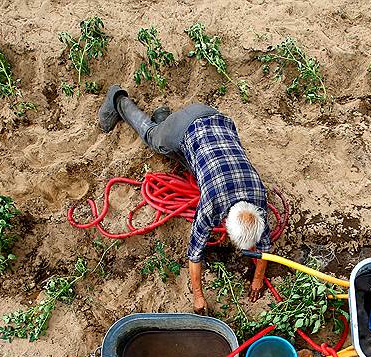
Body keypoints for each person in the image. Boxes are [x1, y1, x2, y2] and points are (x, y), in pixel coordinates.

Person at [98, 85, 271, 314]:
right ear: (226, 220)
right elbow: (195, 252)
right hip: (188, 126)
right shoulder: (212, 204)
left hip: (216, 119)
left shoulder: (259, 199)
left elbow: (265, 245)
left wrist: (258, 279)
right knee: (153, 138)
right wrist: (198, 296)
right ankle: (118, 100)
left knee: (187, 162)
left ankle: (164, 119)